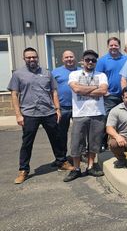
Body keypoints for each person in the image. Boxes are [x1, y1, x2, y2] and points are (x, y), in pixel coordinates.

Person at [8, 47, 74, 184]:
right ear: (24, 58)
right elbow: (14, 94)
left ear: (37, 57)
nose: (32, 59)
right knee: (27, 143)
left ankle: (61, 161)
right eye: (29, 57)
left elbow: (54, 92)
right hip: (29, 113)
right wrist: (18, 115)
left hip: (48, 112)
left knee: (56, 139)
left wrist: (57, 109)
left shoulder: (47, 73)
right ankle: (23, 170)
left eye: (34, 57)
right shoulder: (18, 74)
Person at [64, 50, 108, 182]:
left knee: (94, 143)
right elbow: (76, 89)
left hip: (97, 113)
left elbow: (104, 90)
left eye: (93, 60)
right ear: (83, 61)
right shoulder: (74, 74)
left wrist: (85, 88)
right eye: (88, 59)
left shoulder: (102, 75)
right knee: (77, 143)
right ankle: (76, 169)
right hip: (80, 114)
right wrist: (95, 88)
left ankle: (90, 166)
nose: (90, 62)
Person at [95, 37, 127, 152]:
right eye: (111, 45)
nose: (113, 47)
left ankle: (124, 143)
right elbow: (97, 77)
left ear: (119, 46)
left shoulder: (126, 59)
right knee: (106, 120)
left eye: (116, 45)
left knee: (124, 120)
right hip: (109, 96)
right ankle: (103, 144)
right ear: (108, 46)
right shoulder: (103, 60)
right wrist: (104, 91)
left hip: (125, 96)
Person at [52, 50, 83, 165]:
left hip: (79, 107)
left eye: (71, 57)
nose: (69, 59)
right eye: (67, 57)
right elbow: (52, 90)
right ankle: (62, 157)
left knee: (80, 133)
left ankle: (80, 154)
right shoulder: (55, 72)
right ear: (62, 59)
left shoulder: (81, 71)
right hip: (62, 107)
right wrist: (56, 108)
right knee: (61, 134)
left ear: (75, 58)